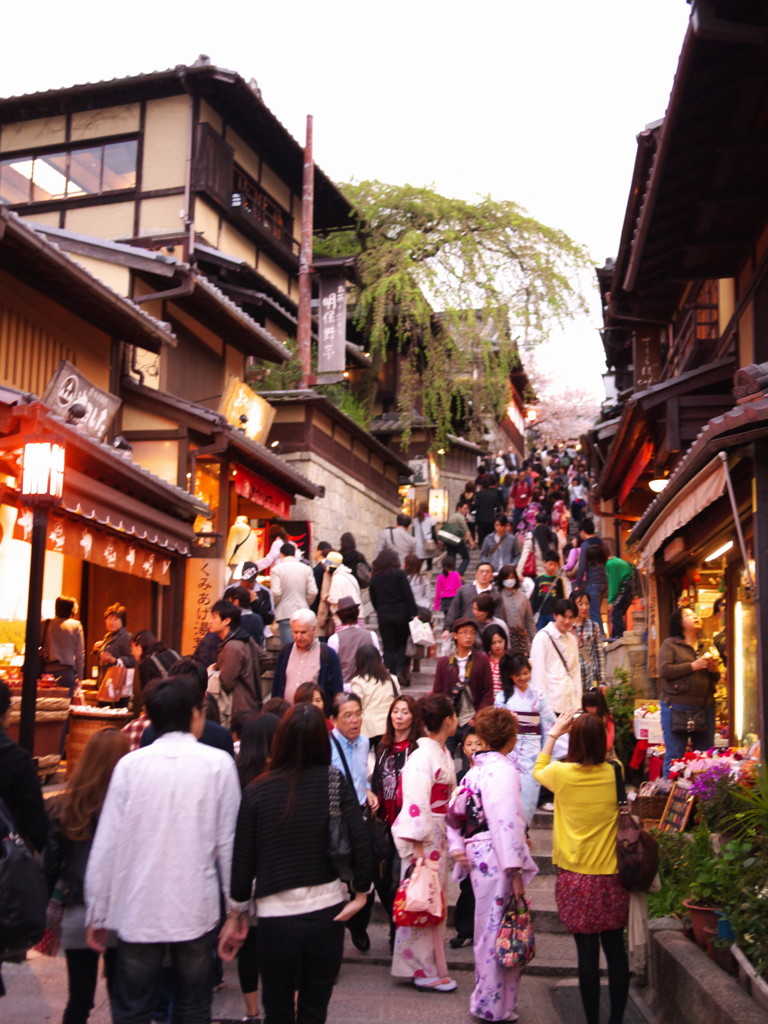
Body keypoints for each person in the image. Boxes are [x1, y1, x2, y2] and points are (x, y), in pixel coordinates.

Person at [85, 674, 241, 1024]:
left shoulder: (130, 766)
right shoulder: (218, 765)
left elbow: (107, 842)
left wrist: (98, 909)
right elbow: (229, 844)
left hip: (138, 907)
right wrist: (237, 910)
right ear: (192, 714)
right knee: (193, 1007)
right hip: (195, 907)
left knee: (134, 1008)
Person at [219, 703, 373, 1024]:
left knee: (277, 1009)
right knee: (315, 1009)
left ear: (282, 739)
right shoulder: (334, 781)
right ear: (322, 739)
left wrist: (236, 914)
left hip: (275, 920)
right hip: (327, 914)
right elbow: (361, 839)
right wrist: (360, 893)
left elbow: (242, 860)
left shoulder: (258, 790)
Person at [533, 710, 630, 1024]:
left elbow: (538, 769)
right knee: (615, 950)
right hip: (613, 876)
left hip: (575, 877)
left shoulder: (560, 774)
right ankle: (616, 1019)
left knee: (586, 954)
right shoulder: (615, 771)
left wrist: (554, 733)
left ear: (572, 742)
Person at [447, 707, 538, 1022]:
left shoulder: (475, 769)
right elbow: (506, 823)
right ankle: (493, 1005)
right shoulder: (502, 771)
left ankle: (486, 999)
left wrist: (459, 846)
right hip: (496, 856)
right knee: (499, 930)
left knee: (488, 930)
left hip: (479, 853)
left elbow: (455, 812)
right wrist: (514, 870)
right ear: (510, 739)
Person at [44, 728, 130, 1024]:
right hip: (122, 910)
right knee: (124, 998)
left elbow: (50, 865)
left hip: (78, 909)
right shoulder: (130, 807)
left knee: (78, 1001)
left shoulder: (65, 806)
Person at [391, 693, 458, 992]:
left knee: (434, 899)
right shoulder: (422, 757)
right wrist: (417, 849)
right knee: (423, 899)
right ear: (447, 720)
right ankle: (420, 968)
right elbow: (415, 803)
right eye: (455, 716)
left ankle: (431, 964)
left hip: (438, 833)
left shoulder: (440, 752)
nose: (458, 721)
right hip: (425, 838)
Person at [233, 712, 280, 1022]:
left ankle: (251, 1012)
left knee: (247, 943)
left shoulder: (234, 774)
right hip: (274, 872)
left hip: (243, 870)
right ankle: (282, 1006)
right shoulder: (279, 776)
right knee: (276, 946)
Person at [370, 695, 422, 946]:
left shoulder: (416, 749)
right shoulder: (383, 746)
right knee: (380, 879)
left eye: (404, 712)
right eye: (395, 712)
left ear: (413, 717)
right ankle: (395, 924)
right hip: (383, 822)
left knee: (395, 880)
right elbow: (377, 779)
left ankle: (396, 933)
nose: (399, 716)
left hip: (404, 823)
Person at [658, 607, 719, 776]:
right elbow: (664, 670)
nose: (695, 616)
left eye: (695, 614)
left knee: (705, 756)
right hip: (676, 707)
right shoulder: (670, 644)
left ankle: (702, 798)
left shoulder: (705, 645)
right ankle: (669, 796)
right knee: (675, 755)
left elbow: (715, 679)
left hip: (704, 707)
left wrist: (714, 670)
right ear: (680, 622)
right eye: (690, 615)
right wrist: (692, 666)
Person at [495, 653, 554, 822]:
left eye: (525, 673)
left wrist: (548, 750)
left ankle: (524, 829)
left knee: (528, 793)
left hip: (532, 751)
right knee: (508, 793)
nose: (523, 677)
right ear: (510, 676)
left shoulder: (538, 695)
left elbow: (549, 724)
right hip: (509, 753)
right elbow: (498, 728)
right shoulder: (502, 698)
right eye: (517, 674)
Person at [447, 727, 486, 951]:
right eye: (469, 744)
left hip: (486, 836)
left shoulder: (493, 773)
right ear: (463, 748)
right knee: (467, 888)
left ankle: (483, 932)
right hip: (467, 837)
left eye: (478, 744)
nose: (473, 749)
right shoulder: (461, 776)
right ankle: (464, 931)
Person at [432, 618, 493, 753]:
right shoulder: (444, 662)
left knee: (473, 761)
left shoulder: (482, 660)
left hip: (472, 720)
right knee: (443, 758)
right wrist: (443, 717)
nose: (469, 636)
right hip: (449, 721)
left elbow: (488, 691)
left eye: (472, 632)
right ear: (455, 635)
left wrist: (478, 717)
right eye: (464, 632)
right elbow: (437, 693)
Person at [529, 598, 580, 756]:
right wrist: (544, 708)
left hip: (569, 704)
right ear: (555, 615)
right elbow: (538, 675)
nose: (567, 621)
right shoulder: (542, 638)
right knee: (553, 751)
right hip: (551, 705)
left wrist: (578, 703)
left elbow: (575, 672)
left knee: (569, 751)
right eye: (563, 616)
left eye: (571, 617)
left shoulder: (572, 639)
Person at [271, 609, 344, 712]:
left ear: (314, 630)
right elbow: (277, 687)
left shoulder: (328, 655)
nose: (298, 637)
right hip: (288, 717)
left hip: (316, 719)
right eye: (295, 632)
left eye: (303, 632)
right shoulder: (286, 652)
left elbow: (337, 691)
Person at [369, 548, 417, 683]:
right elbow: (408, 595)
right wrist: (414, 612)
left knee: (388, 646)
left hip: (384, 614)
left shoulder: (375, 578)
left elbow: (373, 597)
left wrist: (379, 610)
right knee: (402, 644)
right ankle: (401, 671)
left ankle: (391, 673)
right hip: (402, 613)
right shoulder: (400, 575)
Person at [208, 600, 263, 717]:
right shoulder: (244, 639)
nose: (210, 621)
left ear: (227, 621)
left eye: (214, 617)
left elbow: (226, 683)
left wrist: (212, 672)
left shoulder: (232, 646)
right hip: (249, 704)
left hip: (239, 708)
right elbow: (265, 660)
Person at [349, 644, 399, 746]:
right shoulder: (392, 679)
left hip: (368, 728)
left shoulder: (358, 681)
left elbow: (357, 706)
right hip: (389, 727)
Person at [270, 542, 318, 646]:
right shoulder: (306, 569)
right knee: (304, 648)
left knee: (288, 649)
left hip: (285, 613)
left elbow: (276, 592)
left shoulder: (276, 569)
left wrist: (276, 605)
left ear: (281, 554)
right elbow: (313, 591)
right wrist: (305, 602)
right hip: (303, 611)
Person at [326, 595, 381, 685]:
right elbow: (379, 660)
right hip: (368, 685)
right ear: (357, 613)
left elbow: (331, 667)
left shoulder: (334, 639)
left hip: (345, 687)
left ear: (339, 617)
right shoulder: (371, 635)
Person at [41, 595, 84, 694]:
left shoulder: (45, 624)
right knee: (66, 706)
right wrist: (80, 678)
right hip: (67, 673)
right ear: (71, 610)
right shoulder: (76, 625)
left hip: (47, 673)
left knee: (46, 705)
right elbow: (79, 655)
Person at [92, 604, 135, 702]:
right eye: (109, 619)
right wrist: (96, 650)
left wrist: (114, 660)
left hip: (118, 687)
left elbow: (132, 660)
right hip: (105, 684)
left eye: (116, 619)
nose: (111, 622)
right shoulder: (107, 636)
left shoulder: (126, 637)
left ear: (122, 621)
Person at [443, 561, 498, 633]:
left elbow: (498, 615)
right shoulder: (464, 590)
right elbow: (454, 610)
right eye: (481, 571)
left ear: (492, 576)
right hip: (465, 630)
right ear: (476, 574)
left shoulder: (496, 595)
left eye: (487, 572)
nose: (484, 574)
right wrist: (447, 628)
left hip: (486, 633)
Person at [129, 631, 179, 710]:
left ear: (139, 645)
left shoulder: (146, 663)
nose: (132, 652)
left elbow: (147, 695)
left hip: (164, 708)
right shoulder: (172, 653)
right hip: (183, 703)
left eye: (132, 648)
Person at [571, 589, 608, 691]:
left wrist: (602, 681)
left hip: (590, 679)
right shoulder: (566, 627)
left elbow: (599, 655)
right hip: (572, 680)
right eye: (580, 604)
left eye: (587, 604)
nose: (584, 607)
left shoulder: (593, 626)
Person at [496, 563, 536, 656]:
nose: (509, 580)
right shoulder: (498, 596)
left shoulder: (523, 597)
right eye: (506, 578)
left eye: (511, 577)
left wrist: (533, 638)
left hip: (521, 637)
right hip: (503, 637)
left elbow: (529, 620)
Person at [531, 550, 566, 629]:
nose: (552, 567)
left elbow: (561, 599)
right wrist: (531, 614)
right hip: (541, 614)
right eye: (550, 564)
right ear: (544, 563)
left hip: (553, 615)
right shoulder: (538, 580)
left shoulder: (558, 581)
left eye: (555, 565)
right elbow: (534, 598)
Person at [606, 554, 636, 640]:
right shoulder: (615, 561)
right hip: (629, 588)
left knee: (616, 613)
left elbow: (614, 584)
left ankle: (620, 635)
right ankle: (615, 635)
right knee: (617, 612)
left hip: (625, 589)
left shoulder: (611, 564)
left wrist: (611, 601)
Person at [582, 687, 616, 754]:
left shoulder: (606, 718)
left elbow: (610, 733)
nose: (590, 709)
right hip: (587, 751)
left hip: (605, 750)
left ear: (600, 704)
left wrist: (606, 747)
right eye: (587, 706)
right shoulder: (583, 718)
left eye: (593, 706)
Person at [412, 502, 437, 570]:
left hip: (418, 545)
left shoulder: (415, 520)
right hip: (428, 545)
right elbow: (433, 533)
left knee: (418, 566)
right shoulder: (431, 519)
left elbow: (413, 534)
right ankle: (428, 579)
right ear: (427, 509)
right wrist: (436, 542)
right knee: (429, 566)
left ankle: (417, 578)